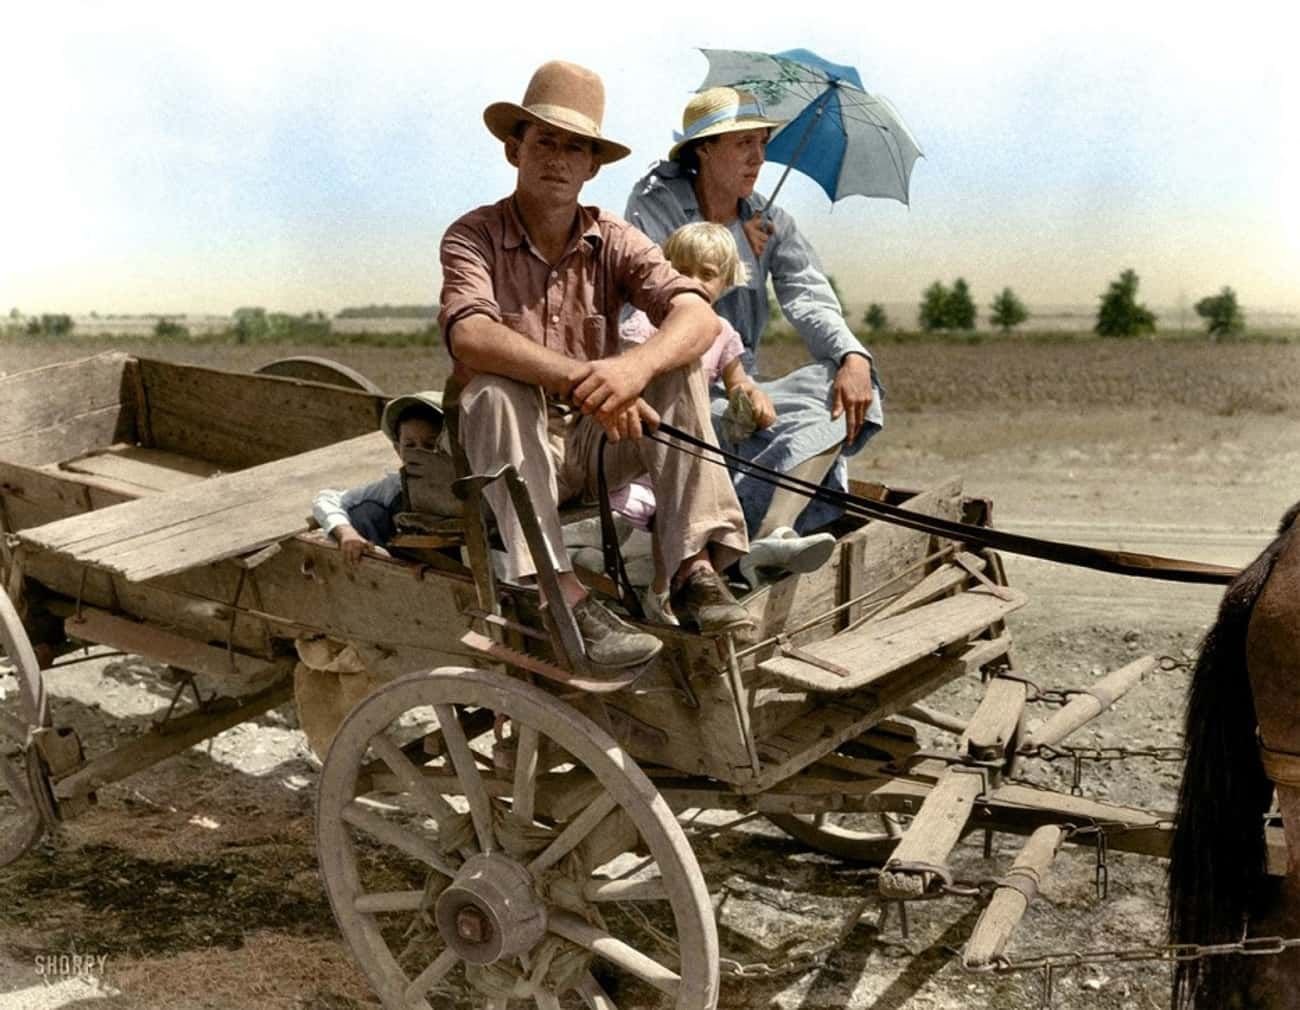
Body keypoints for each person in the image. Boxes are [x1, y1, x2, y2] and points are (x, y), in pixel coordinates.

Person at [438, 60, 754, 677]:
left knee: (677, 366)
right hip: (507, 458)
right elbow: (471, 335)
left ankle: (692, 570)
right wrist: (587, 381)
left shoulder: (614, 238)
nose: (558, 158)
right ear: (515, 150)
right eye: (544, 141)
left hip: (593, 447)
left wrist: (632, 370)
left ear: (592, 165)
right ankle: (558, 592)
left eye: (575, 147)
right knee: (497, 394)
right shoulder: (471, 235)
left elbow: (698, 318)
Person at [625, 86, 886, 538]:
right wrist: (732, 240)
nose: (759, 158)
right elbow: (657, 282)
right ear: (703, 149)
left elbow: (808, 295)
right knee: (771, 443)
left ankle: (774, 532)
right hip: (673, 385)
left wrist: (852, 356)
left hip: (739, 384)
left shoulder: (772, 220)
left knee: (845, 387)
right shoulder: (654, 201)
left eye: (764, 142)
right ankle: (739, 521)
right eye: (744, 143)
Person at [603, 221, 837, 624]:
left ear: (727, 283)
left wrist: (750, 395)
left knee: (692, 487)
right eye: (682, 271)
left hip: (687, 446)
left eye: (707, 275)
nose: (694, 282)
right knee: (669, 503)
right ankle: (665, 588)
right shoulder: (644, 326)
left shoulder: (722, 332)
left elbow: (738, 379)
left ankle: (683, 582)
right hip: (646, 447)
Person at [313, 393, 445, 566]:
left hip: (460, 575)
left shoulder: (466, 488)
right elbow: (328, 498)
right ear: (398, 449)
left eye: (430, 445)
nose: (418, 453)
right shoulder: (395, 486)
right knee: (364, 512)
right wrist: (347, 533)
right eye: (410, 445)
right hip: (409, 571)